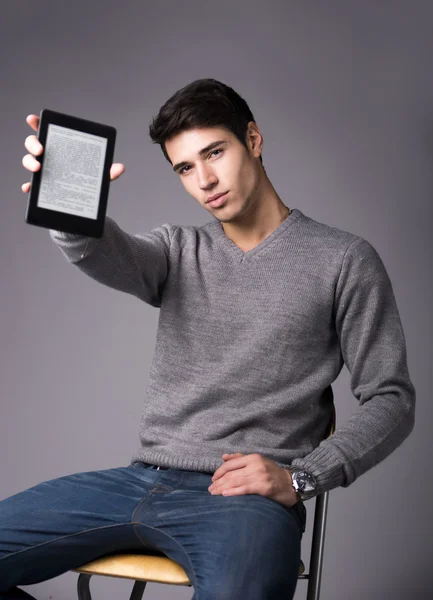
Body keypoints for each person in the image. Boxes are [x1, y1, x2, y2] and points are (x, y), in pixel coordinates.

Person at [2, 78, 415, 600]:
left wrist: (303, 479)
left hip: (243, 501)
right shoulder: (179, 249)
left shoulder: (344, 260)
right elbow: (105, 252)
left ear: (254, 138)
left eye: (214, 153)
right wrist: (69, 207)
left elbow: (392, 399)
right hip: (137, 482)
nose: (205, 180)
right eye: (185, 168)